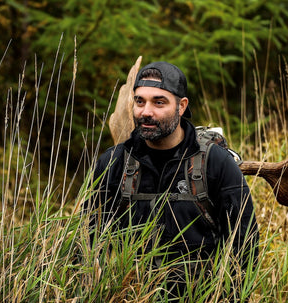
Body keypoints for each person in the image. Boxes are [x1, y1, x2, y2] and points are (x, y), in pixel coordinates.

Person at [85, 61, 259, 300]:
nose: (146, 111)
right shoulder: (113, 163)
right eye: (139, 101)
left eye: (159, 102)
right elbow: (89, 241)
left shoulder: (216, 163)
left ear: (181, 106)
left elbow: (244, 246)